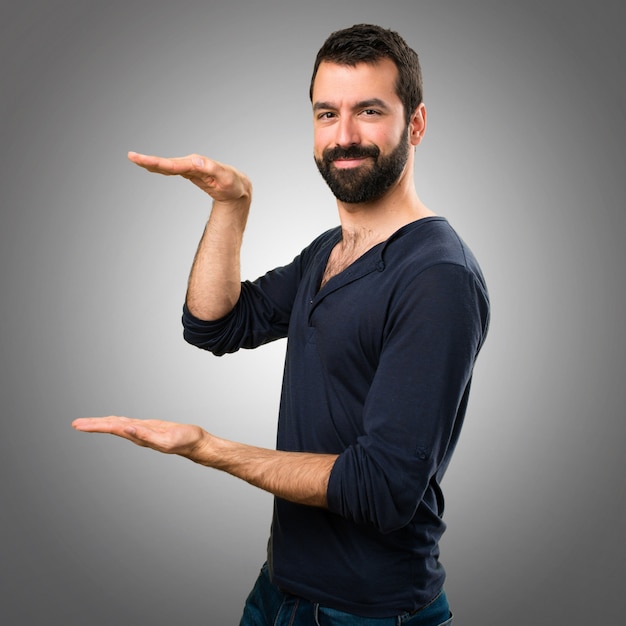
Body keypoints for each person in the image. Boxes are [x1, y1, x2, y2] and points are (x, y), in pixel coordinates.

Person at [73, 23, 490, 625]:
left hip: (368, 613)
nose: (344, 136)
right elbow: (214, 324)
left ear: (416, 124)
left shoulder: (436, 277)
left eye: (368, 111)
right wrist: (231, 204)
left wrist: (209, 449)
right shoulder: (330, 250)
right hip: (281, 590)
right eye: (327, 114)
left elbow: (383, 487)